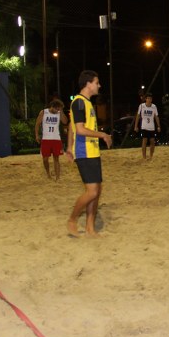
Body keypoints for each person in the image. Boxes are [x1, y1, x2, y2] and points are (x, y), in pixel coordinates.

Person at [65, 70, 112, 238]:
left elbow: (71, 127)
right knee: (92, 191)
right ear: (88, 84)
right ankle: (72, 220)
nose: (99, 85)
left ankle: (90, 228)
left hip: (92, 151)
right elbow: (79, 129)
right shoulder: (78, 102)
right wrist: (103, 135)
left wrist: (68, 147)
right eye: (97, 82)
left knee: (97, 190)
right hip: (83, 152)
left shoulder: (87, 103)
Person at [34, 99, 69, 180]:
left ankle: (57, 178)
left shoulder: (59, 113)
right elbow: (37, 124)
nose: (57, 110)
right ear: (52, 107)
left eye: (59, 109)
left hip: (56, 139)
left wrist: (61, 111)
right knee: (45, 159)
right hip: (46, 139)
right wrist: (36, 135)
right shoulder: (43, 112)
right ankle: (48, 173)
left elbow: (65, 122)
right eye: (57, 109)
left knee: (56, 158)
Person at [133, 92, 161, 160]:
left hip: (151, 127)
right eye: (148, 98)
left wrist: (158, 126)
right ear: (145, 99)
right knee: (144, 141)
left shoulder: (154, 106)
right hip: (144, 126)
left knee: (152, 142)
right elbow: (138, 116)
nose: (149, 100)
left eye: (150, 98)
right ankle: (144, 157)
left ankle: (151, 156)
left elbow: (156, 116)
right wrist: (136, 126)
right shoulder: (141, 106)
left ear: (152, 99)